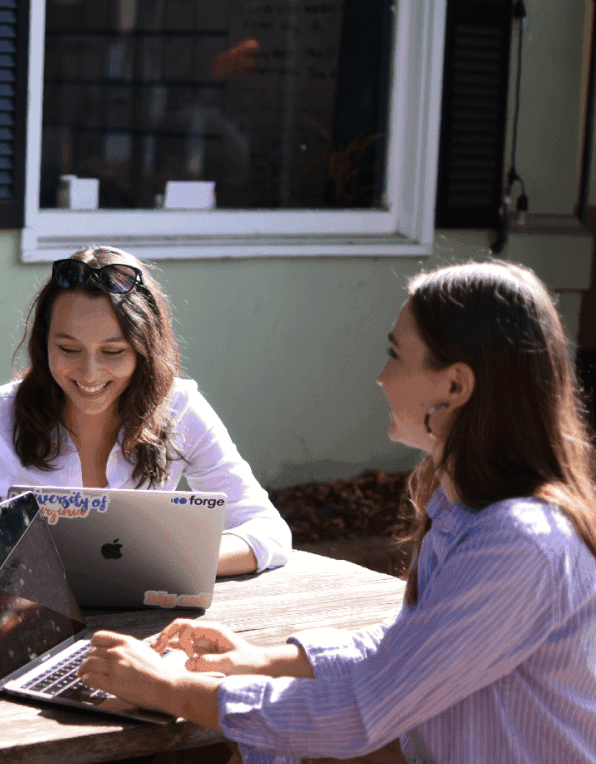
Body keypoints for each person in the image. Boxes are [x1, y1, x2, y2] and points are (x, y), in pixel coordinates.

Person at [77, 261, 596, 762]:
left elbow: (359, 712)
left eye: (395, 356)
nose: (380, 377)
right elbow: (404, 652)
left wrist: (169, 686)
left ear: (455, 386)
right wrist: (260, 660)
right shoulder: (469, 512)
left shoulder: (519, 541)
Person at [0, 246, 292, 586]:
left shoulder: (180, 407)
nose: (89, 374)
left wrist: (167, 559)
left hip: (147, 635)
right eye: (68, 349)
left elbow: (268, 531)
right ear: (43, 344)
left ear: (144, 348)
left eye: (113, 351)